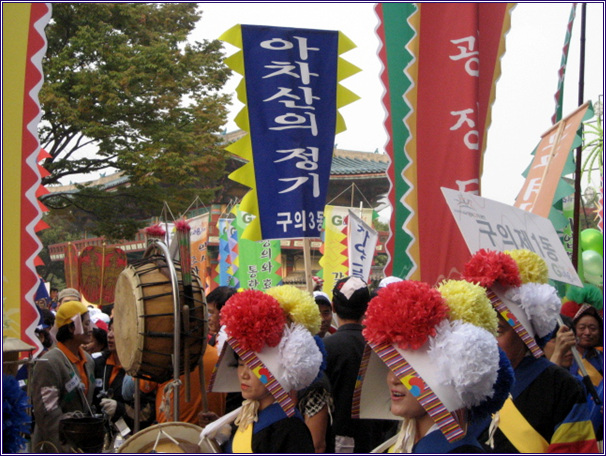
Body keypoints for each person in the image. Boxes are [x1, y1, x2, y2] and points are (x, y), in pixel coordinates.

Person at [463, 248, 599, 453]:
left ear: (524, 334)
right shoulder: (466, 383)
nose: (487, 341)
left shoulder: (560, 386)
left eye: (498, 330)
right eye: (481, 329)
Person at [355, 279, 513, 453]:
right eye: (391, 366)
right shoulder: (402, 443)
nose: (393, 379)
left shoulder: (458, 450)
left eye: (407, 369)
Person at [201, 289, 321, 453]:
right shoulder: (246, 415)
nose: (243, 374)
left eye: (253, 367)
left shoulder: (289, 427)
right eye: (241, 364)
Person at [324, 276, 395, 453]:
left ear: (333, 307)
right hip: (379, 439)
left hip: (336, 439)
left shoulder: (325, 348)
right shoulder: (382, 345)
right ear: (367, 307)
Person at [30, 301, 96, 453]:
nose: (91, 329)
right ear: (72, 327)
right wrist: (67, 449)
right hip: (56, 447)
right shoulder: (49, 363)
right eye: (86, 324)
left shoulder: (88, 360)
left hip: (81, 445)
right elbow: (48, 415)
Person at [93, 319, 155, 442]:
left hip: (130, 438)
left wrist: (119, 408)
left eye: (117, 331)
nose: (110, 335)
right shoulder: (98, 363)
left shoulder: (140, 369)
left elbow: (148, 413)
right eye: (109, 329)